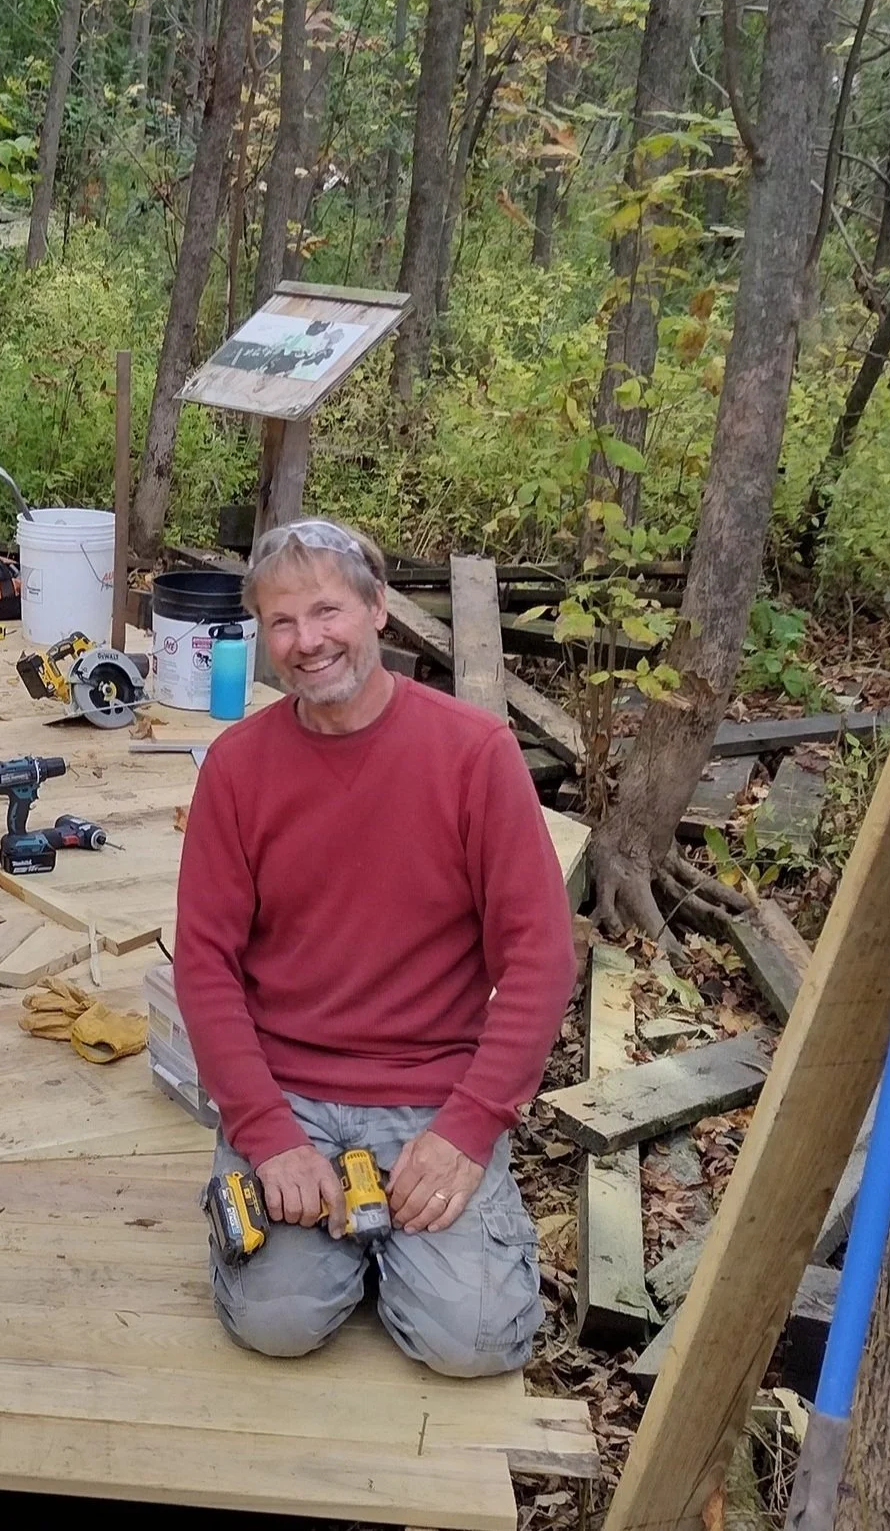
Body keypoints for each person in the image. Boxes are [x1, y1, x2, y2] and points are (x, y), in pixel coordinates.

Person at [173, 519, 574, 1374]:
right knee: (277, 1325)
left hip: (431, 1095)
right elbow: (205, 965)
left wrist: (469, 1129)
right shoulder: (237, 769)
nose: (307, 641)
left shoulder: (474, 754)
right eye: (282, 623)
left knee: (472, 1343)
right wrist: (266, 1130)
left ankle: (414, 1248)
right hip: (290, 1095)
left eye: (326, 611)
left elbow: (540, 959)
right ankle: (330, 1250)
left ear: (378, 608)